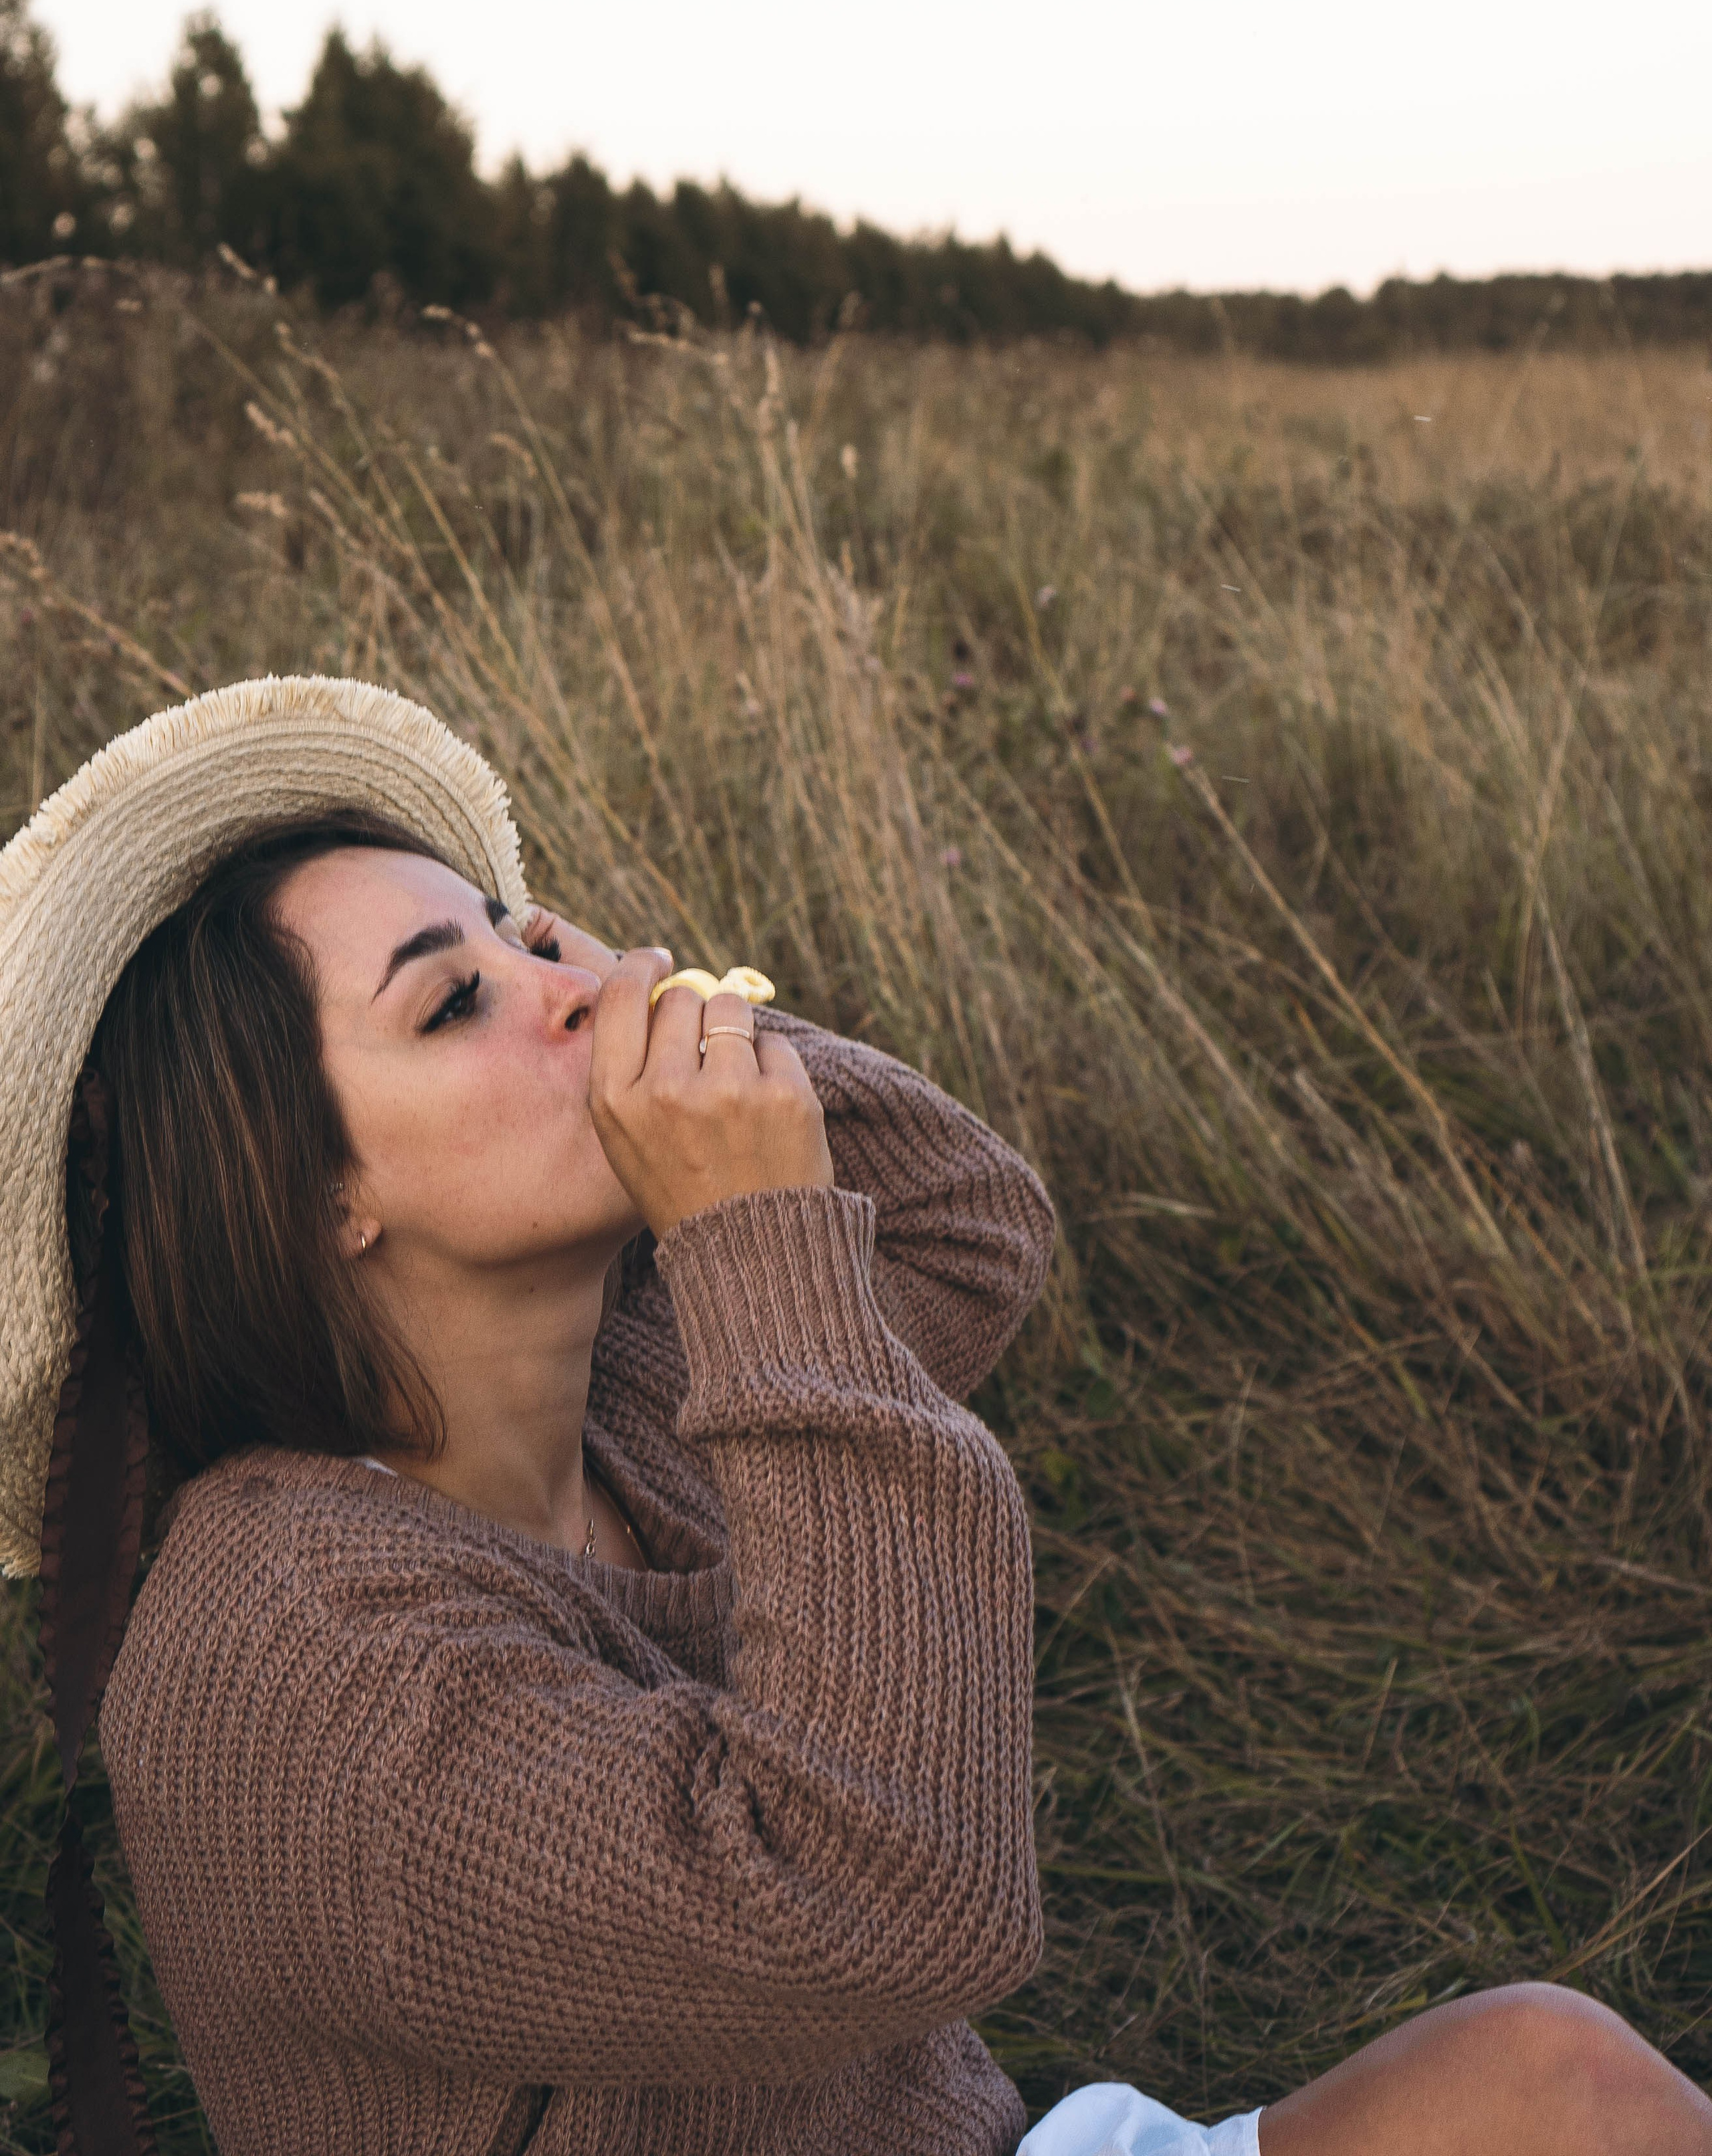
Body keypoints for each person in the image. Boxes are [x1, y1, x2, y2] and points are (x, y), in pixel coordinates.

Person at [2, 675, 1707, 2156]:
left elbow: (964, 1224)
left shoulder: (626, 1397)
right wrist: (746, 1229)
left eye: (537, 939)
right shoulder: (292, 1659)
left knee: (1550, 2076)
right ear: (305, 1203)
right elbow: (892, 1898)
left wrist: (653, 1029)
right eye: (455, 1001)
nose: (579, 990)